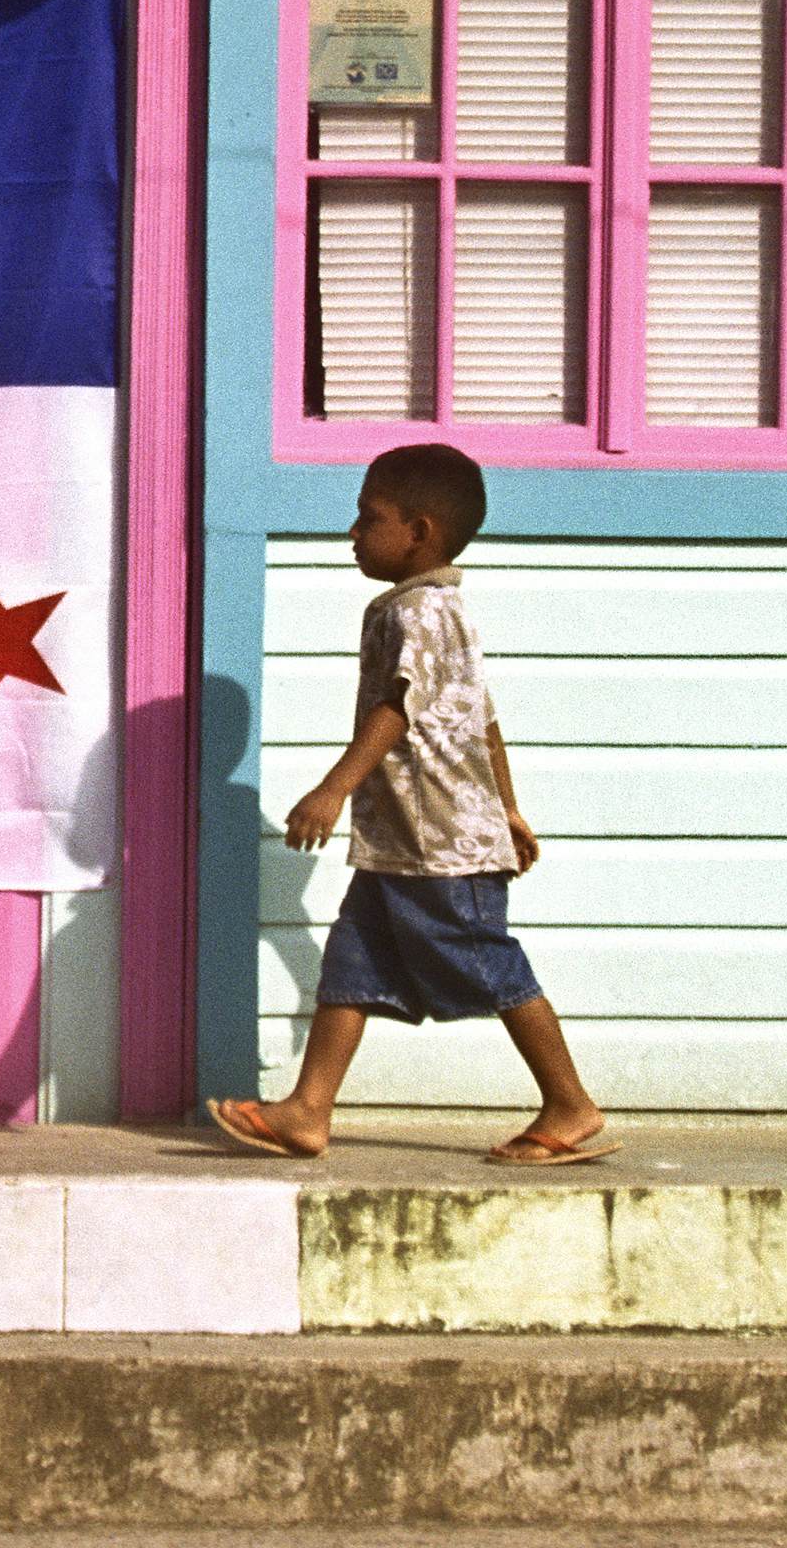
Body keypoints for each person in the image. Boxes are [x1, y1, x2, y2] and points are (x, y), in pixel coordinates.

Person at [206, 443, 613, 1167]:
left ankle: (570, 1103)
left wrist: (334, 787)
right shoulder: (424, 609)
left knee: (488, 963)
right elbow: (479, 719)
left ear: (419, 532)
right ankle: (307, 1111)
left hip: (441, 843)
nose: (353, 534)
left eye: (368, 519)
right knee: (353, 963)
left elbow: (402, 705)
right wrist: (508, 809)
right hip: (406, 840)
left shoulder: (420, 611)